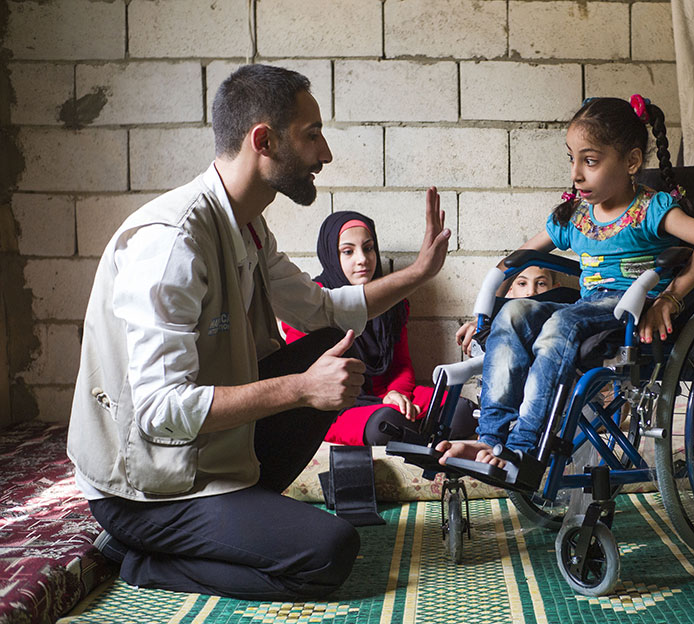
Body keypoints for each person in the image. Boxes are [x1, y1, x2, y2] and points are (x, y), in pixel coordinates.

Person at [66, 64, 451, 599]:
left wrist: (418, 273)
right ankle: (146, 561)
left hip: (204, 454)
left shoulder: (247, 226)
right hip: (143, 489)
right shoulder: (172, 243)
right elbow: (159, 410)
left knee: (328, 343)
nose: (325, 153)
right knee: (329, 551)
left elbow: (324, 309)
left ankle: (237, 512)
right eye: (312, 135)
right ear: (264, 141)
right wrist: (301, 389)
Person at [437, 96, 694, 467]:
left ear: (631, 162)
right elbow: (516, 260)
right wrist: (485, 316)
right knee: (512, 315)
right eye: (571, 159)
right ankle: (490, 439)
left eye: (589, 161)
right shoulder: (576, 216)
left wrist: (669, 299)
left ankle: (524, 446)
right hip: (588, 305)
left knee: (561, 322)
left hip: (631, 305)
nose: (576, 173)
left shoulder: (650, 208)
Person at [282, 211, 477, 446]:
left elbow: (401, 365)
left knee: (463, 412)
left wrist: (398, 395)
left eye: (368, 248)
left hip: (389, 396)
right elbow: (313, 381)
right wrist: (386, 403)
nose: (362, 259)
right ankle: (412, 427)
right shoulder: (309, 305)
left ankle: (411, 427)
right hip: (337, 407)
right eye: (348, 251)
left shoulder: (391, 300)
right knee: (386, 423)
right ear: (331, 255)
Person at [454, 265, 558, 357]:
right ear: (510, 290)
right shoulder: (497, 326)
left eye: (541, 283)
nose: (531, 292)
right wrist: (480, 322)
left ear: (555, 289)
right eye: (522, 283)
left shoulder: (559, 324)